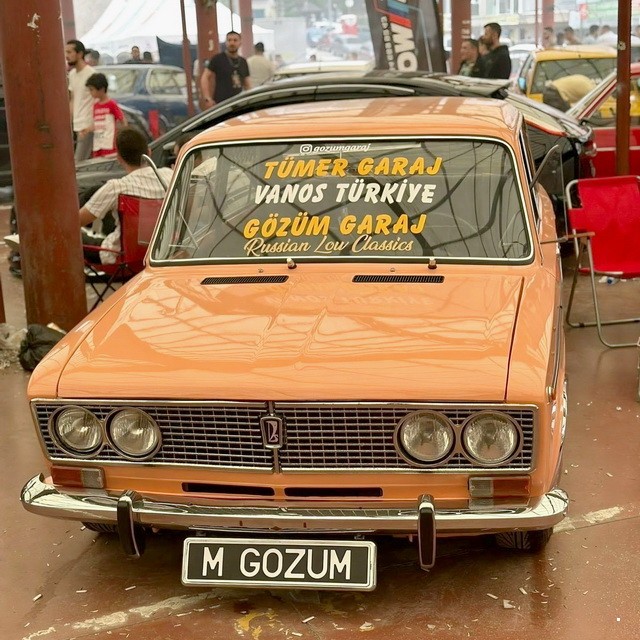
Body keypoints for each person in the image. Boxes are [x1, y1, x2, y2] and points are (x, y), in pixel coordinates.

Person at [80, 127, 172, 264]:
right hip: (163, 253)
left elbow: (78, 221)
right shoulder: (169, 175)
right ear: (149, 152)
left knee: (74, 234)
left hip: (121, 258)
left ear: (119, 158)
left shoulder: (117, 187)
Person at [200, 31, 251, 108]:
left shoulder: (243, 61)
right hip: (221, 104)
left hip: (239, 103)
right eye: (229, 40)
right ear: (226, 42)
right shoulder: (217, 59)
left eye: (235, 40)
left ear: (240, 43)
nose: (232, 43)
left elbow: (247, 84)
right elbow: (205, 77)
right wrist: (207, 98)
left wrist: (250, 99)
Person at [65, 39, 95, 162]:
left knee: (79, 163)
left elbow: (98, 100)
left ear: (80, 54)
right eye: (65, 52)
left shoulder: (91, 74)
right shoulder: (72, 74)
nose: (66, 56)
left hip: (87, 125)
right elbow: (73, 99)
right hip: (76, 125)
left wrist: (92, 126)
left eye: (69, 52)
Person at [85, 72, 128, 157]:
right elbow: (97, 124)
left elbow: (122, 120)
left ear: (101, 89)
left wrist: (123, 136)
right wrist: (87, 129)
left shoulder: (111, 104)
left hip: (109, 144)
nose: (90, 93)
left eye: (92, 89)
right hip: (98, 144)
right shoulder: (95, 106)